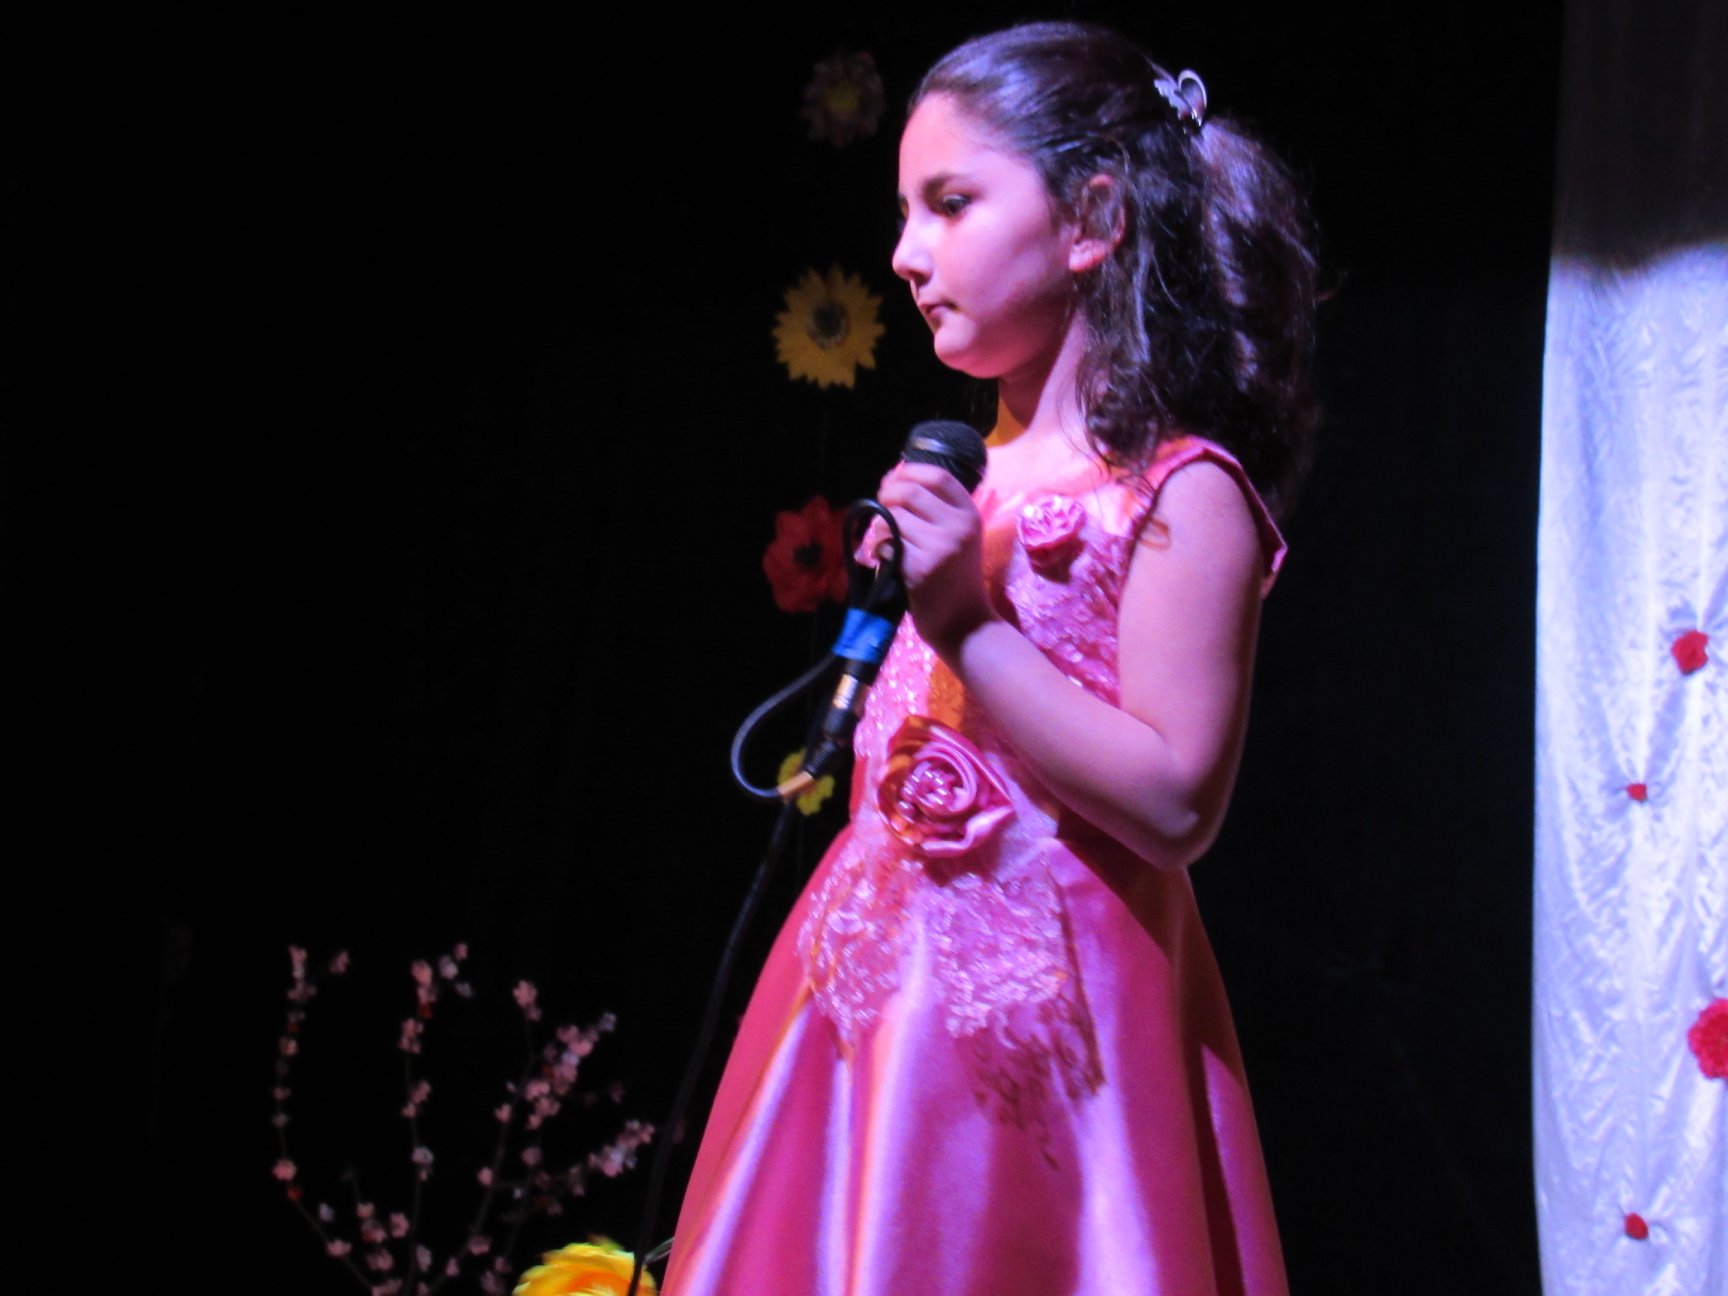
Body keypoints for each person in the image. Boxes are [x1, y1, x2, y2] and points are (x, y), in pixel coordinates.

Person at [665, 21, 1318, 1296]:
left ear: (1093, 218)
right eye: (905, 211)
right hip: (870, 1029)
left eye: (951, 203)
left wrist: (968, 623)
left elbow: (1176, 802)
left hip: (1055, 1055)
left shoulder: (1178, 493)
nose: (907, 253)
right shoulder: (969, 485)